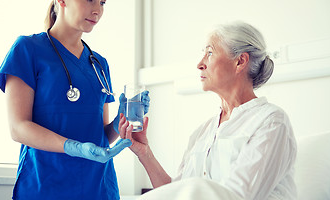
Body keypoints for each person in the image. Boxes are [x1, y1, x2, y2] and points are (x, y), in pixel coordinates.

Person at [0, 0, 149, 200]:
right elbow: (18, 128)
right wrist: (73, 147)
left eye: (103, 2)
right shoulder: (28, 49)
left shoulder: (99, 63)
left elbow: (101, 136)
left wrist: (122, 119)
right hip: (46, 185)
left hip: (98, 187)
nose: (97, 10)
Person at [119, 21, 297, 200]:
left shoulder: (271, 122)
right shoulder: (202, 132)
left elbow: (238, 196)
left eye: (210, 53)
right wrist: (144, 153)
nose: (199, 64)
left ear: (240, 61)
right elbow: (175, 192)